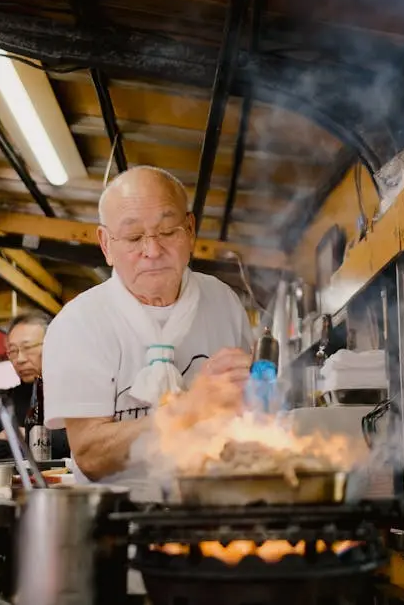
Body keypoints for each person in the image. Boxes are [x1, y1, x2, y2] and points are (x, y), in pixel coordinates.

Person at [43, 166, 254, 501]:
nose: (153, 251)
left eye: (168, 232)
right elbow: (90, 455)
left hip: (215, 508)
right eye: (133, 238)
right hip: (118, 519)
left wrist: (248, 394)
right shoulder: (79, 323)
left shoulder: (224, 304)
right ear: (105, 244)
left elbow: (249, 420)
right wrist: (189, 410)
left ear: (190, 229)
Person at [0, 312, 69, 464]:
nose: (19, 359)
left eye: (27, 348)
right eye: (13, 351)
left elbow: (78, 444)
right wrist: (42, 440)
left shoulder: (72, 395)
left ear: (52, 346)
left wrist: (21, 436)